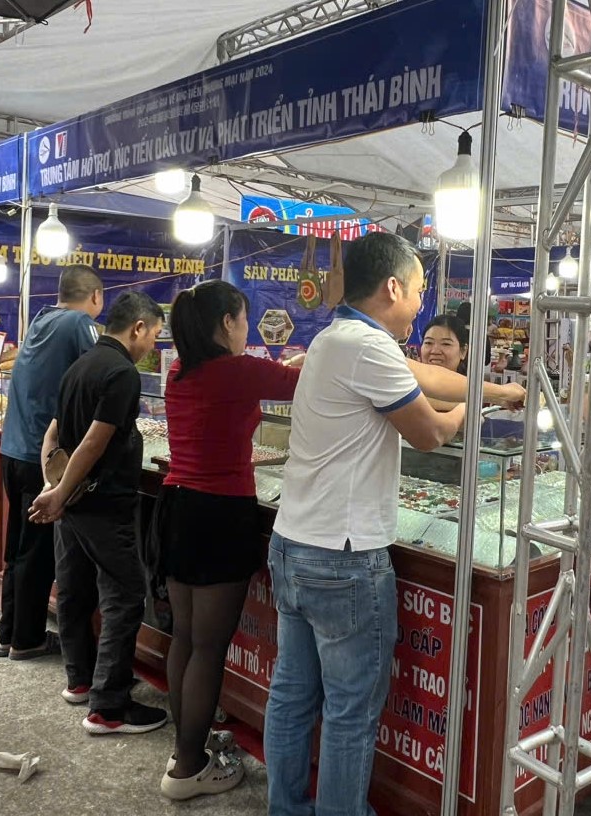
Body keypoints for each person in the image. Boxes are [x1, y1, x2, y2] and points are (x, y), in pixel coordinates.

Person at [263, 232, 472, 816]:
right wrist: (470, 408)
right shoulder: (368, 346)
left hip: (294, 542)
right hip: (344, 558)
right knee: (350, 712)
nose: (421, 304)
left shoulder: (335, 337)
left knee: (292, 695)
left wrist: (499, 388)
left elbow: (421, 375)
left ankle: (287, 808)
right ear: (393, 287)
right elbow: (430, 432)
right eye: (420, 291)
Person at [156, 281, 301, 800]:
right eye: (243, 319)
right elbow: (301, 381)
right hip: (219, 514)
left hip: (178, 508)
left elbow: (277, 374)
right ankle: (189, 768)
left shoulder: (180, 370)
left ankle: (186, 746)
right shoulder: (236, 371)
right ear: (226, 323)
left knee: (186, 639)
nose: (246, 328)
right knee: (209, 647)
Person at [29, 292, 167, 735]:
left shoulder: (80, 365)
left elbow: (53, 434)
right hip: (102, 504)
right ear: (138, 327)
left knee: (74, 588)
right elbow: (93, 441)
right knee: (125, 594)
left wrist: (53, 486)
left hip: (73, 504)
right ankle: (109, 708)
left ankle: (80, 679)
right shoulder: (121, 372)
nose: (153, 345)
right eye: (155, 335)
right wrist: (59, 492)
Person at [0, 266, 103, 661]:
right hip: (41, 456)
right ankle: (27, 639)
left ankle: (9, 632)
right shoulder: (79, 323)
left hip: (13, 449)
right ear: (95, 296)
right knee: (37, 553)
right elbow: (103, 373)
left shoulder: (41, 319)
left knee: (18, 549)